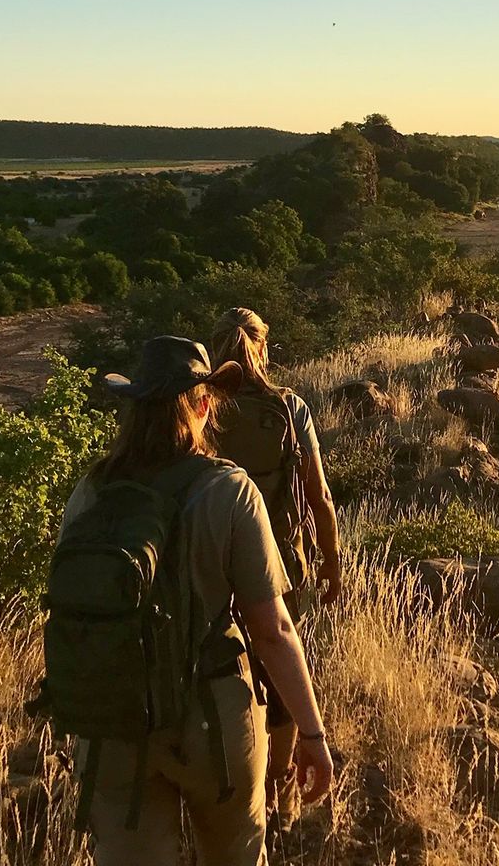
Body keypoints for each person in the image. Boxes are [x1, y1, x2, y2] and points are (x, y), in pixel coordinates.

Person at [43, 336, 333, 866]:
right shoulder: (230, 490)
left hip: (113, 721)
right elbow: (272, 631)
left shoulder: (92, 490)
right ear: (203, 404)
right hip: (213, 723)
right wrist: (310, 733)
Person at [209, 307, 341, 829]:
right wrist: (331, 559)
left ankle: (231, 779)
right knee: (281, 666)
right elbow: (319, 494)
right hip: (281, 559)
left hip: (211, 561)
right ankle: (280, 787)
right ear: (263, 346)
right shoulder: (289, 407)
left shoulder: (202, 405)